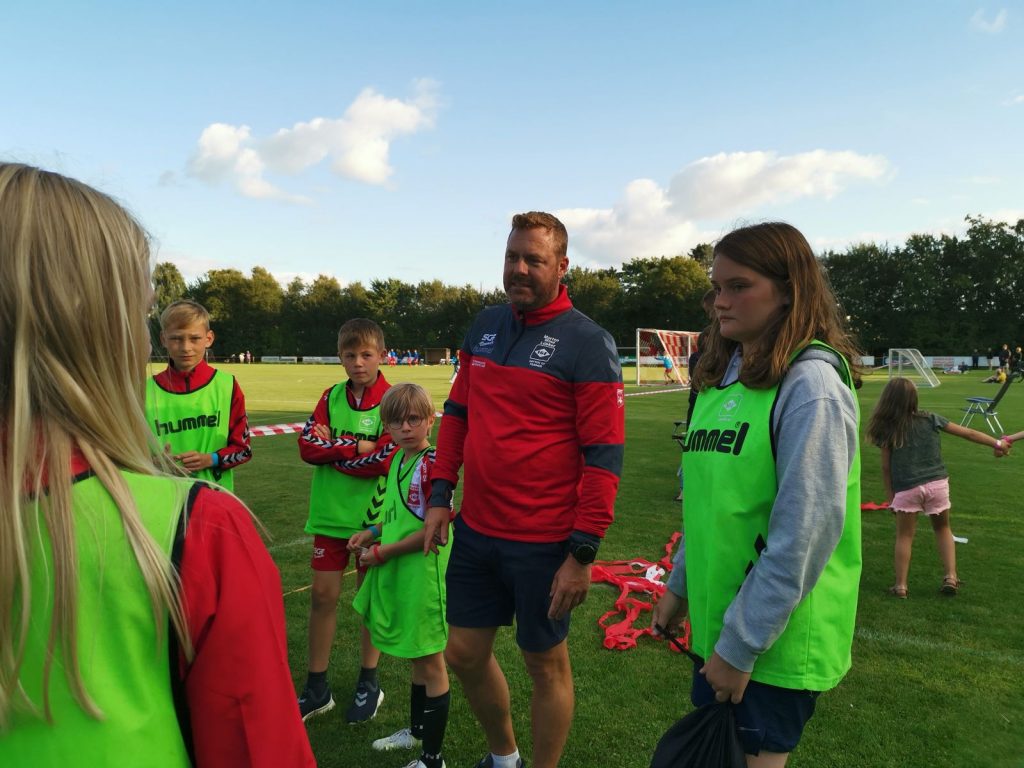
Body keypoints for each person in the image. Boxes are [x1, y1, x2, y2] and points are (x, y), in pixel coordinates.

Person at [0, 163, 314, 766]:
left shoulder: (225, 393)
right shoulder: (207, 532)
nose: (154, 342)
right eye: (144, 319)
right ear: (97, 326)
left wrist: (217, 457)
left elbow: (243, 445)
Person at [652, 222, 863, 767]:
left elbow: (804, 535)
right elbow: (710, 505)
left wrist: (740, 644)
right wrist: (679, 584)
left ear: (790, 288)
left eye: (738, 286)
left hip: (772, 645)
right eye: (715, 287)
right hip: (722, 632)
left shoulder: (811, 388)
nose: (720, 302)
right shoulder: (723, 380)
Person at [422, 211, 625, 768]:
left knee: (544, 664)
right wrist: (441, 495)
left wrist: (582, 551)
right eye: (512, 256)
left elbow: (604, 455)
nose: (519, 268)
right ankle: (504, 756)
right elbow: (459, 414)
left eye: (533, 259)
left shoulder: (587, 341)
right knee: (462, 652)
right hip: (477, 531)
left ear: (562, 266)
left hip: (543, 541)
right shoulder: (485, 325)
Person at [296, 318, 395, 722]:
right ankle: (317, 687)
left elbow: (386, 458)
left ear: (381, 356)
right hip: (328, 516)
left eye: (366, 355)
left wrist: (335, 450)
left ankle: (368, 682)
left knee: (369, 603)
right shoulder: (330, 395)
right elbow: (306, 446)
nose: (358, 363)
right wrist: (357, 445)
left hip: (371, 521)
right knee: (323, 597)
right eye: (350, 355)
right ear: (340, 357)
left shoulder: (393, 398)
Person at [350, 384, 453, 768]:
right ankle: (416, 731)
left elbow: (433, 532)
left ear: (430, 420)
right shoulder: (396, 460)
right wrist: (372, 533)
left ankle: (432, 758)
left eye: (413, 419)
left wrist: (382, 553)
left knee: (430, 662)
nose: (405, 428)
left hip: (423, 578)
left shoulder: (433, 465)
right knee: (415, 655)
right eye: (396, 421)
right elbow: (394, 516)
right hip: (399, 572)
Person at [867, 377, 1007, 598]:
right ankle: (951, 576)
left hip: (906, 489)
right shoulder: (931, 418)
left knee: (904, 536)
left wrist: (891, 497)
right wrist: (997, 443)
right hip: (937, 484)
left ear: (887, 400)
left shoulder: (887, 429)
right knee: (943, 529)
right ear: (914, 398)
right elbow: (968, 433)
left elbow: (886, 468)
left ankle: (901, 586)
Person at [146, 299, 252, 492]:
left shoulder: (227, 386)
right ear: (163, 339)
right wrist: (154, 463)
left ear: (209, 338)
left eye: (194, 338)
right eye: (176, 338)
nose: (186, 347)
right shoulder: (143, 391)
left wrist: (210, 459)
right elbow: (125, 454)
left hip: (217, 500)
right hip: (162, 501)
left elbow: (243, 450)